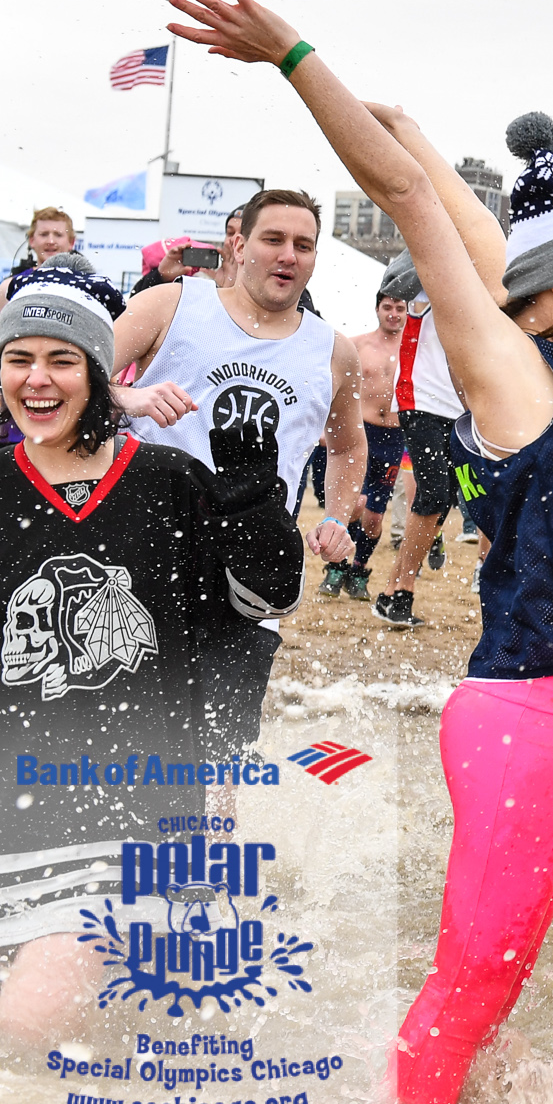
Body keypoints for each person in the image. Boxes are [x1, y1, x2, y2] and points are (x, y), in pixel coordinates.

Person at [166, 0, 553, 1104]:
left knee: (495, 978)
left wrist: (423, 134)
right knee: (474, 978)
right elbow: (404, 201)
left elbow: (466, 215)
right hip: (530, 713)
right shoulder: (512, 371)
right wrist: (294, 53)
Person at [0, 263, 302, 1044]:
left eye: (61, 359)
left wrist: (256, 496)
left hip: (121, 811)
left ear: (97, 372)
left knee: (27, 1031)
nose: (38, 379)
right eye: (20, 359)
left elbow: (263, 602)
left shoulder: (167, 484)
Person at [110, 187, 367, 748]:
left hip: (248, 561)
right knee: (125, 724)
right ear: (239, 243)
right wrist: (126, 398)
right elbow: (74, 383)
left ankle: (210, 839)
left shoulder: (332, 350)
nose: (288, 255)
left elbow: (348, 446)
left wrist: (338, 517)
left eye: (303, 245)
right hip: (142, 550)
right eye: (272, 239)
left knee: (222, 743)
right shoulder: (171, 306)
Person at [375, 250, 460, 627]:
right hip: (420, 398)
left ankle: (394, 587)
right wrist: (434, 240)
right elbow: (393, 283)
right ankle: (402, 591)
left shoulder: (478, 274)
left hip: (461, 406)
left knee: (446, 498)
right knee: (435, 493)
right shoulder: (427, 263)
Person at [323, 289, 411, 600]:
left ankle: (359, 569)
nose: (394, 314)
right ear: (377, 310)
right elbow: (332, 383)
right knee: (354, 504)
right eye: (388, 307)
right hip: (361, 432)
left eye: (400, 308)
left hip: (394, 437)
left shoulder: (415, 348)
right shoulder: (357, 345)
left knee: (374, 518)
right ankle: (337, 565)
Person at [0, 206, 76, 310]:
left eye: (58, 235)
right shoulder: (9, 287)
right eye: (44, 234)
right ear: (32, 240)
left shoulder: (84, 289)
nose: (50, 241)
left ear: (71, 242)